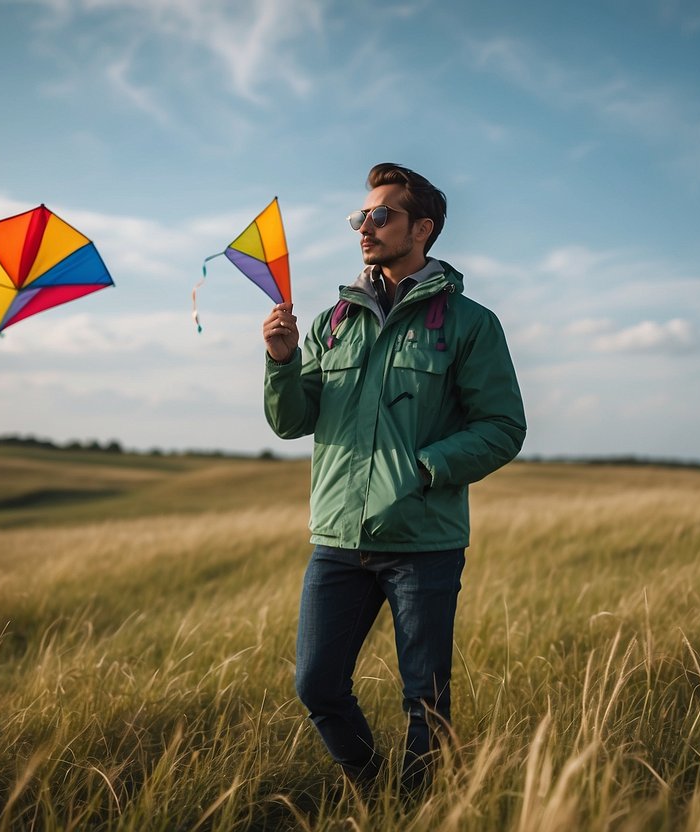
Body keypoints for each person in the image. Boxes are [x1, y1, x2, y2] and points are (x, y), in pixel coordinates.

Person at [261, 162, 526, 796]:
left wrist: (424, 468)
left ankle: (417, 807)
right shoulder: (331, 321)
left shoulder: (470, 324)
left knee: (425, 699)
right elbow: (292, 421)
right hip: (338, 542)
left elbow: (502, 427)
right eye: (361, 216)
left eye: (382, 215)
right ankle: (375, 788)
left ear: (423, 228)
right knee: (317, 685)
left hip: (423, 542)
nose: (365, 227)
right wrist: (281, 361)